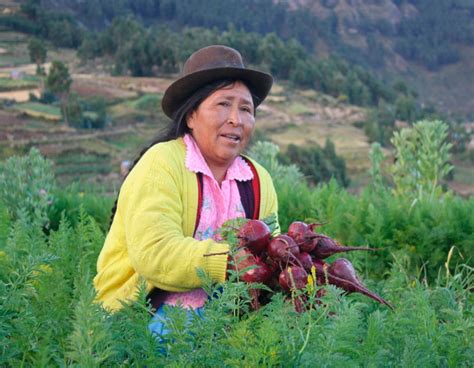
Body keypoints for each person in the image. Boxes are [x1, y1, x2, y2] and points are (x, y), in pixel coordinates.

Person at [93, 45, 279, 338]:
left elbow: (271, 244)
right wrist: (229, 260)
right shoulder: (161, 164)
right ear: (191, 116)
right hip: (145, 311)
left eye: (246, 109)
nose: (236, 119)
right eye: (223, 105)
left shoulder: (258, 179)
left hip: (226, 311)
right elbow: (155, 253)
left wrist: (293, 262)